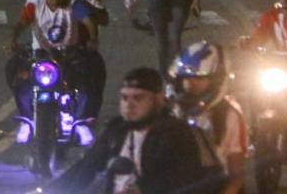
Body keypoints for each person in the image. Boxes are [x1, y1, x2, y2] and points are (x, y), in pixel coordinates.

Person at [59, 67, 205, 194]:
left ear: (158, 99)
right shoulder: (117, 129)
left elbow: (181, 179)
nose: (129, 105)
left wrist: (142, 189)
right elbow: (88, 165)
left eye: (138, 98)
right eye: (124, 98)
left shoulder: (175, 133)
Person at [3, 0, 98, 145]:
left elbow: (88, 21)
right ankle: (27, 120)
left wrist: (92, 39)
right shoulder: (35, 5)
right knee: (21, 84)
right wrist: (12, 40)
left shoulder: (74, 5)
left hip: (68, 55)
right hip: (41, 56)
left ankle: (80, 122)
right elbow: (21, 23)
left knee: (85, 84)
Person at [168, 41, 247, 194]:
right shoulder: (168, 112)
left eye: (199, 79)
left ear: (216, 80)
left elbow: (236, 175)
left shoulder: (229, 116)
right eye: (185, 78)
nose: (190, 84)